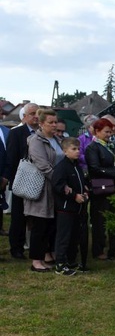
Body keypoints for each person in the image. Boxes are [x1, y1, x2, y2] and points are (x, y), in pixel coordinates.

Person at [86, 118, 115, 260]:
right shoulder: (92, 147)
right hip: (100, 189)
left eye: (110, 132)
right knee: (99, 220)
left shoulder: (111, 146)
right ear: (97, 131)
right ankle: (98, 249)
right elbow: (95, 168)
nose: (109, 134)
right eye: (106, 132)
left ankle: (114, 248)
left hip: (114, 187)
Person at [25, 109, 59, 272]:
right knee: (39, 225)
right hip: (41, 189)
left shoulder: (57, 139)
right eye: (50, 122)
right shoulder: (36, 141)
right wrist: (60, 181)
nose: (54, 125)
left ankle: (45, 256)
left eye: (55, 122)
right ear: (41, 123)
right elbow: (43, 166)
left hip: (53, 190)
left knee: (49, 225)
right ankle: (36, 261)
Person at [5, 102, 39, 259]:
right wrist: (14, 181)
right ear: (24, 116)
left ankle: (34, 244)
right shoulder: (17, 133)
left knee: (34, 217)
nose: (36, 116)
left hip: (39, 180)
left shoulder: (41, 133)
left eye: (38, 113)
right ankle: (16, 248)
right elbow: (11, 158)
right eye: (32, 114)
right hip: (21, 179)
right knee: (19, 216)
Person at [52, 137, 88, 276]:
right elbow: (58, 186)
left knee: (74, 236)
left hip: (77, 209)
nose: (77, 151)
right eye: (74, 149)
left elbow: (81, 182)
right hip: (65, 208)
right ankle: (60, 264)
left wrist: (85, 191)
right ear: (65, 151)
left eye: (79, 149)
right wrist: (74, 196)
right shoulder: (62, 167)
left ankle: (71, 260)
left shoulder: (77, 166)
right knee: (64, 236)